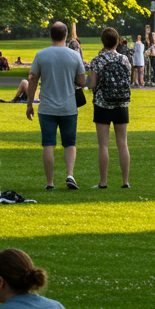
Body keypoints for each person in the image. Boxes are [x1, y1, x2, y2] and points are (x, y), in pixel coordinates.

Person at [26, 21, 87, 190]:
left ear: (50, 35)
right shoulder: (74, 55)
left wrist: (29, 103)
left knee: (48, 144)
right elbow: (82, 81)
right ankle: (70, 174)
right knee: (69, 143)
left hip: (46, 108)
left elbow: (32, 80)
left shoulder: (41, 55)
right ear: (65, 36)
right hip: (68, 107)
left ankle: (50, 182)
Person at [87, 27, 132, 189]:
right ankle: (125, 181)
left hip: (102, 104)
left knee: (103, 145)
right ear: (117, 41)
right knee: (122, 143)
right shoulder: (125, 60)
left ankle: (103, 182)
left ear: (102, 41)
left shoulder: (97, 60)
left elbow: (92, 84)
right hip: (121, 104)